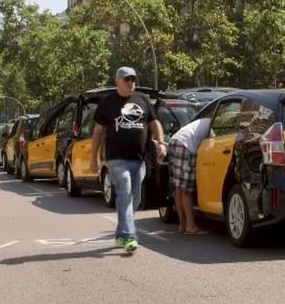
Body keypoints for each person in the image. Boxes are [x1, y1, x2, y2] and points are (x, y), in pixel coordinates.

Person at [90, 67, 167, 253]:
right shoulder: (107, 103)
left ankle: (120, 233)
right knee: (124, 189)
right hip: (116, 158)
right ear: (118, 82)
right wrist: (93, 158)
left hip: (138, 158)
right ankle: (129, 236)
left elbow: (154, 123)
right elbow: (97, 132)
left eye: (133, 79)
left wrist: (162, 143)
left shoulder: (142, 100)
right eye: (127, 79)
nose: (131, 82)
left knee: (136, 197)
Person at [168, 118, 213, 234]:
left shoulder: (202, 121)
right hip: (185, 145)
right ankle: (190, 226)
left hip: (174, 141)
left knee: (178, 187)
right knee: (186, 189)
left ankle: (182, 225)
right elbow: (211, 145)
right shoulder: (212, 125)